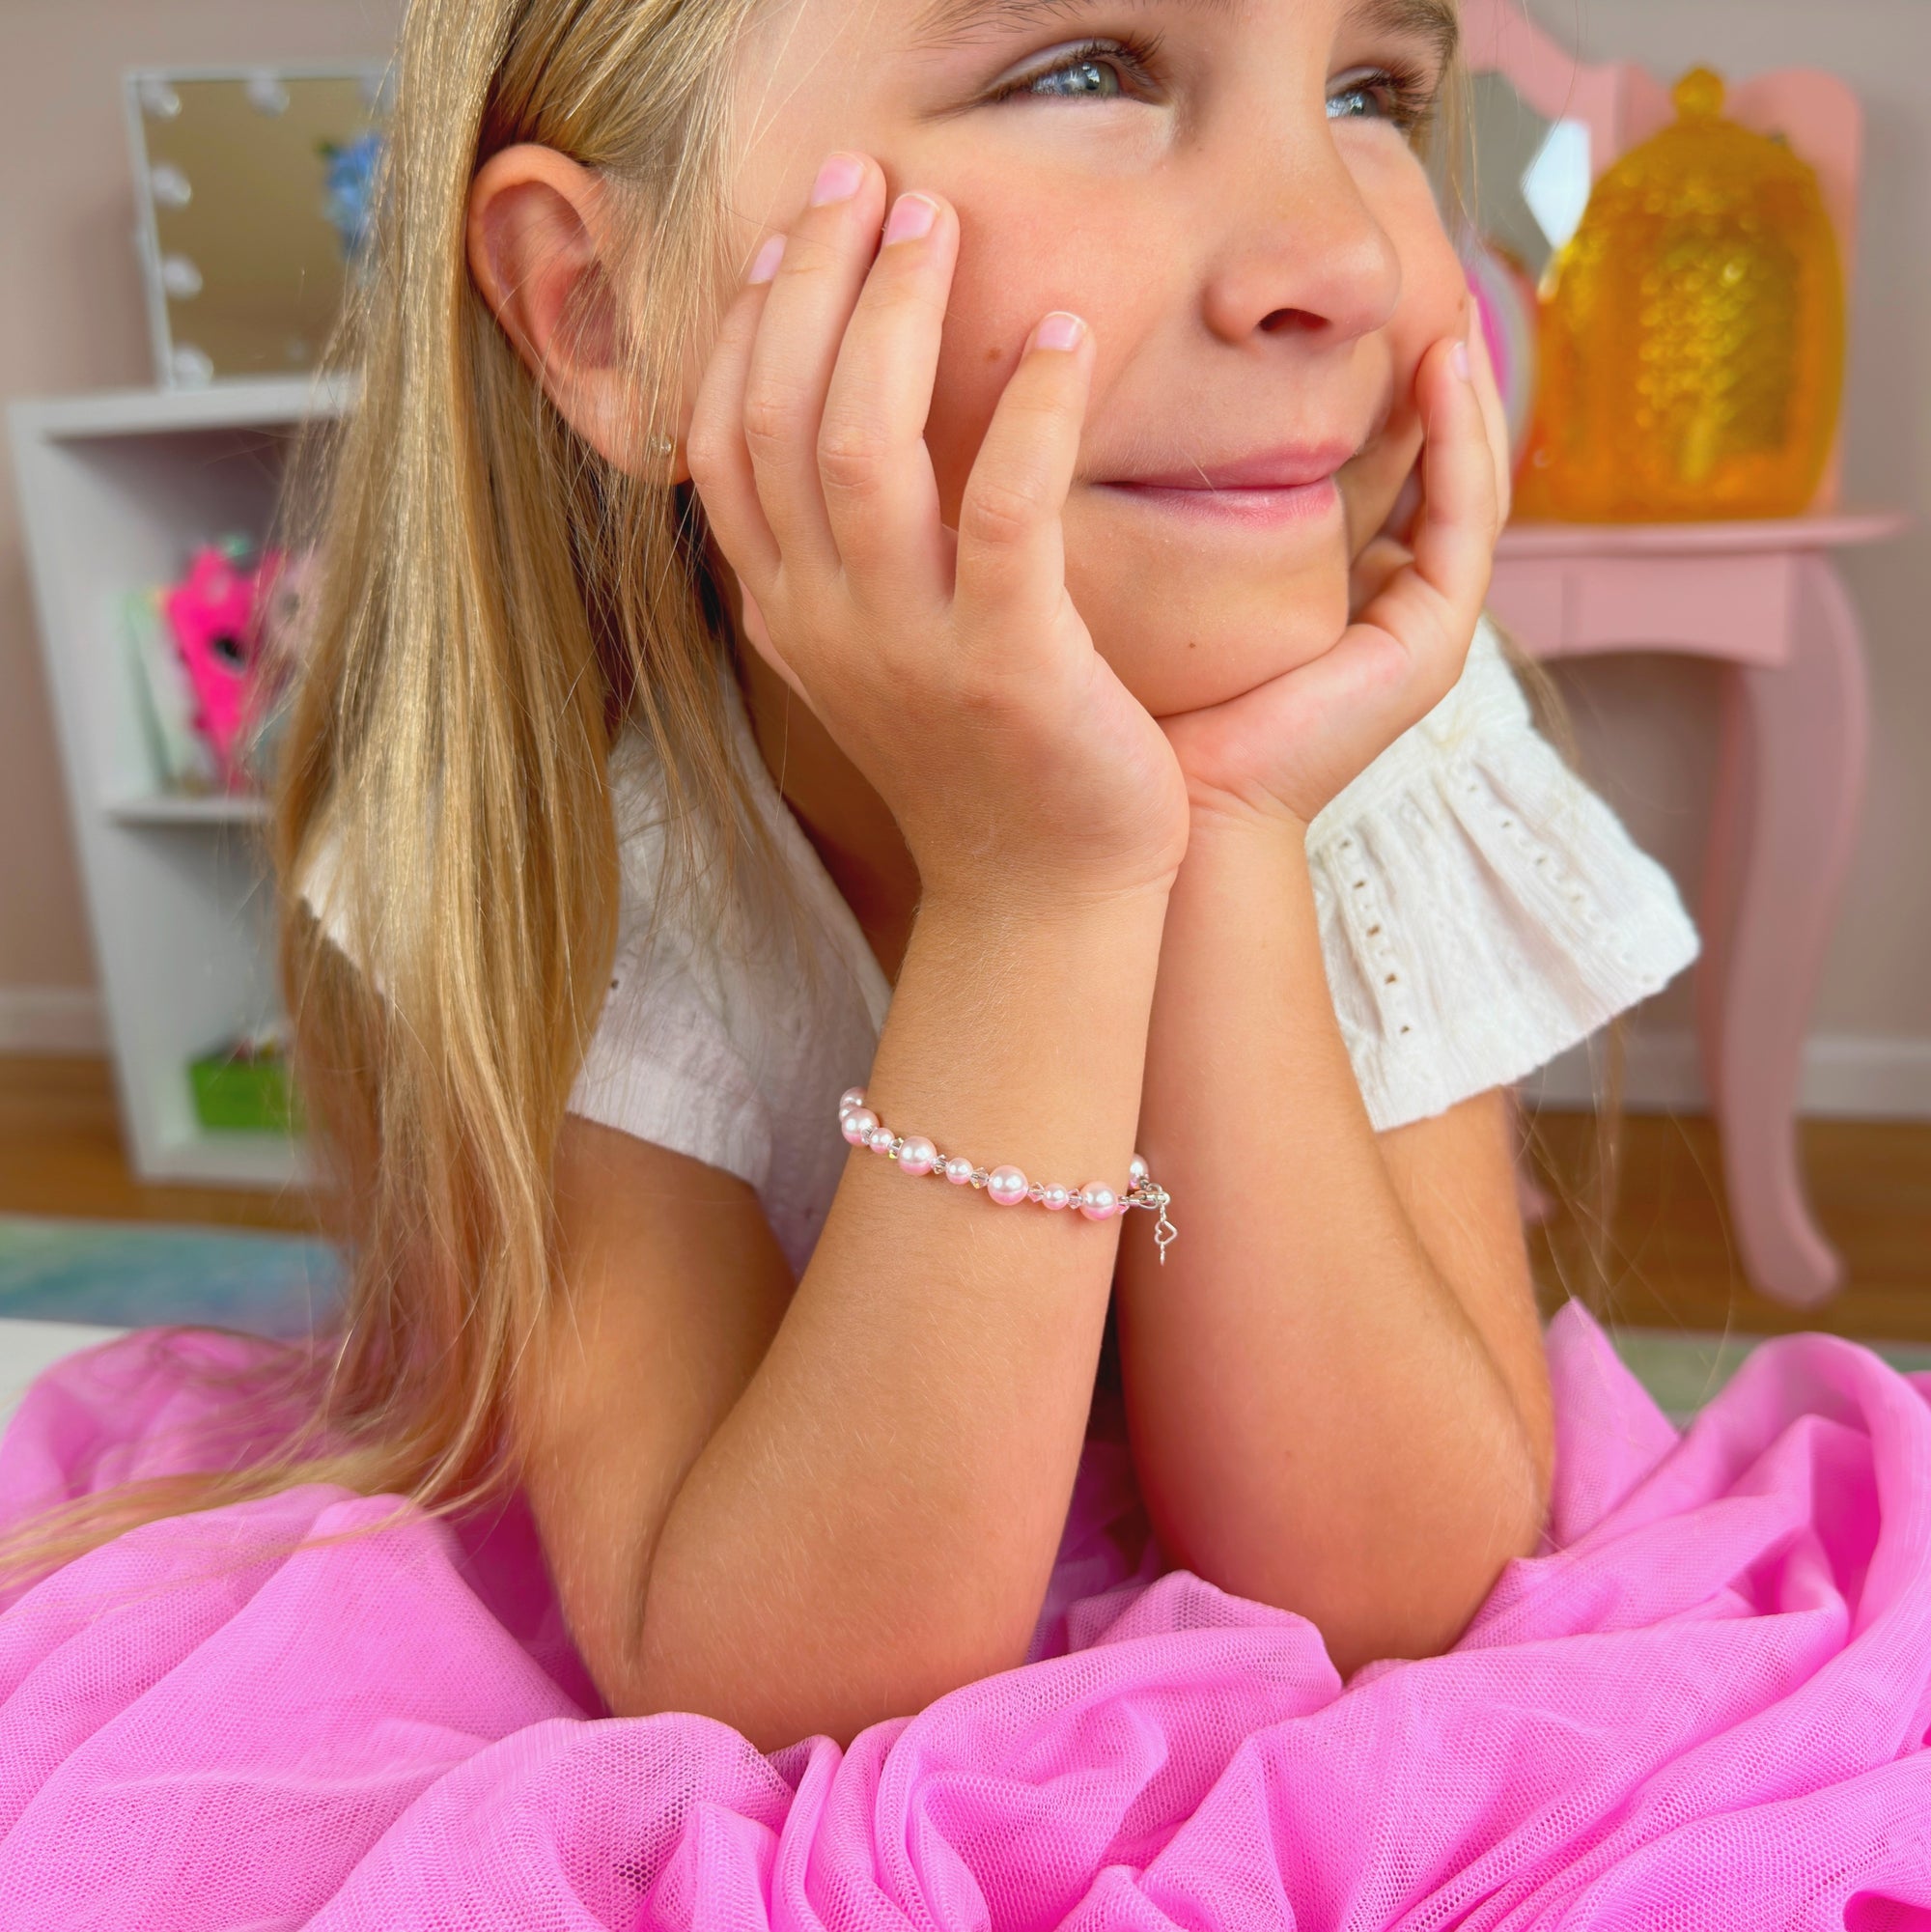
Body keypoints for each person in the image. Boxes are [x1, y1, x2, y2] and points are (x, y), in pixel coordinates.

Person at [42, 0, 1701, 1757]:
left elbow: (1394, 1590)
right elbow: (787, 1678)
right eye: (1084, 73)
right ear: (611, 313)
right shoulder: (584, 841)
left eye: (1375, 92)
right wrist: (1036, 892)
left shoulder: (1387, 729)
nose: (1341, 262)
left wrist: (1228, 829)